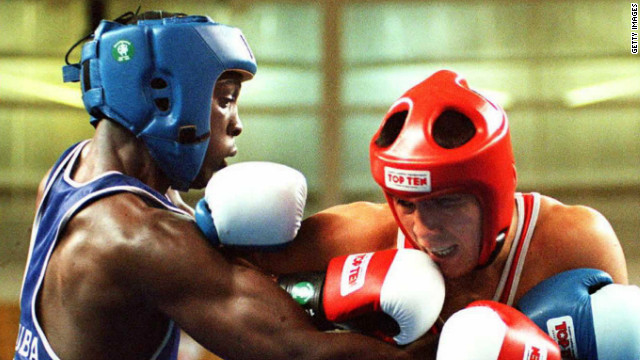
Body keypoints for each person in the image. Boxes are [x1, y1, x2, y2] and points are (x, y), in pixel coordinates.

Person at [13, 10, 438, 360]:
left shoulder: (70, 170)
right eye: (225, 99)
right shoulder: (139, 238)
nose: (237, 123)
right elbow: (298, 352)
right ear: (164, 99)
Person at [237, 69, 639, 358]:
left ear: (496, 193)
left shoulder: (572, 243)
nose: (424, 228)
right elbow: (220, 281)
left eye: (447, 202)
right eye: (407, 205)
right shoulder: (356, 237)